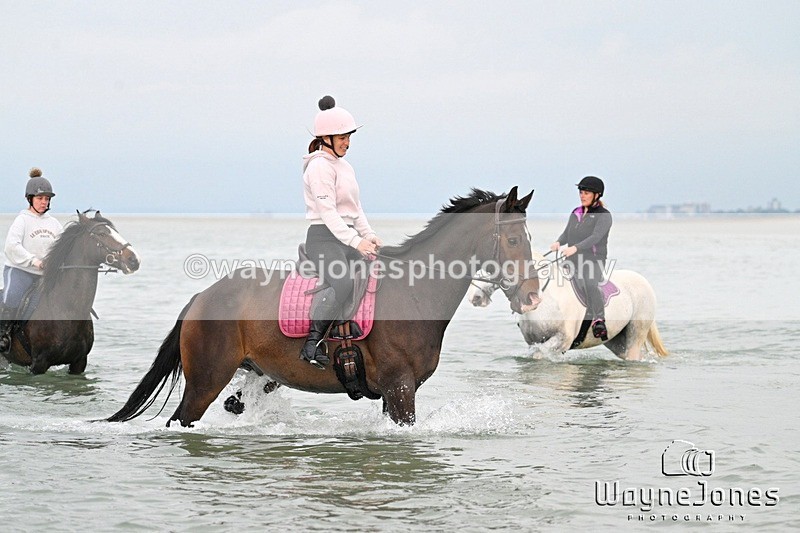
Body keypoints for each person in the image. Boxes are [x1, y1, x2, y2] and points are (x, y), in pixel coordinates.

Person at [300, 95, 382, 368]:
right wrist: (356, 242)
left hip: (345, 237)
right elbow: (329, 213)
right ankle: (312, 343)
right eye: (342, 137)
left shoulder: (345, 166)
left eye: (349, 137)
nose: (347, 143)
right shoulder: (318, 166)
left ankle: (343, 326)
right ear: (327, 138)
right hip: (323, 238)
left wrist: (368, 235)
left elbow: (355, 209)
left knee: (377, 272)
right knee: (344, 281)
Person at [0, 168, 64, 353]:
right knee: (13, 296)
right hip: (19, 270)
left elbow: (61, 249)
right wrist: (34, 261)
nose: (44, 202)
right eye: (40, 198)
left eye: (47, 199)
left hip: (44, 275)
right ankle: (3, 334)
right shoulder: (22, 220)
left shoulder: (54, 223)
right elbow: (11, 247)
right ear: (30, 199)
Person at [550, 176, 612, 340]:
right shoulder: (576, 212)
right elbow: (567, 233)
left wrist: (575, 248)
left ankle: (599, 320)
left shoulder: (603, 215)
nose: (582, 196)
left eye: (586, 193)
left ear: (597, 195)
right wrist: (558, 242)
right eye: (581, 192)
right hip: (573, 258)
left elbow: (595, 237)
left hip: (593, 259)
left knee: (590, 283)